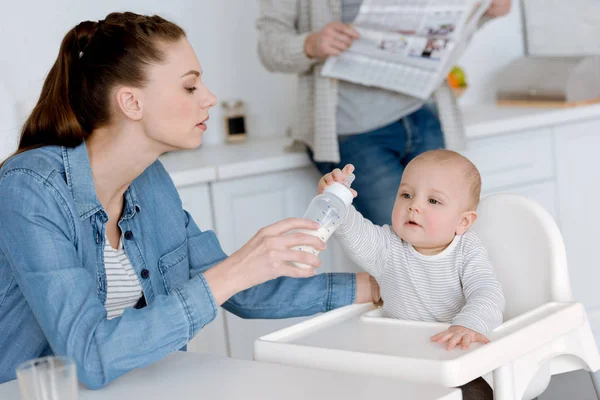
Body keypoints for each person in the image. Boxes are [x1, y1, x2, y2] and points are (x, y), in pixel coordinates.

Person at [0, 12, 379, 388]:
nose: (210, 99)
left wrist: (379, 284)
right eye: (190, 87)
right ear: (131, 103)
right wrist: (236, 269)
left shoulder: (150, 181)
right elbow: (89, 355)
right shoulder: (31, 188)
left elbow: (241, 292)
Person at [256, 0, 512, 226]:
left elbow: (439, 27)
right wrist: (311, 44)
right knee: (403, 246)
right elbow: (269, 48)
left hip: (424, 115)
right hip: (355, 132)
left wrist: (483, 11)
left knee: (449, 235)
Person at [318, 152, 505, 399]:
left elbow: (488, 294)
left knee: (475, 392)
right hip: (402, 361)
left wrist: (467, 326)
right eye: (407, 194)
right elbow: (353, 231)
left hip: (454, 359)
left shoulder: (466, 251)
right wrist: (337, 197)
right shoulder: (388, 247)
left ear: (463, 222)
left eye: (434, 201)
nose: (414, 205)